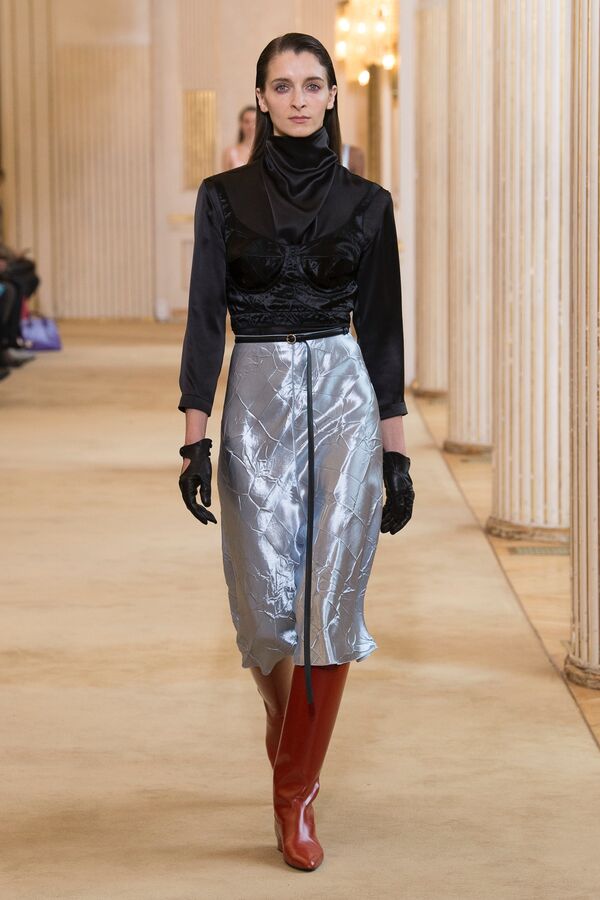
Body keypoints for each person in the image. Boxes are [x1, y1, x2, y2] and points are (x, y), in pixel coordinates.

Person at [177, 32, 414, 872]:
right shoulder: (222, 197)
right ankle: (290, 727)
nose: (299, 99)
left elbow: (382, 331)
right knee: (263, 600)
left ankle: (295, 792)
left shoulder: (369, 202)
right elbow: (204, 317)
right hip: (256, 399)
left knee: (332, 596)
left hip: (344, 403)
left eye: (314, 84)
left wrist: (395, 454)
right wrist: (194, 437)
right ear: (263, 98)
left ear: (332, 96)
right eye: (283, 86)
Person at [221, 105, 257, 170]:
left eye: (254, 121)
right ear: (241, 124)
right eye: (247, 121)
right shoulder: (229, 152)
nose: (251, 125)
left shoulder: (265, 151)